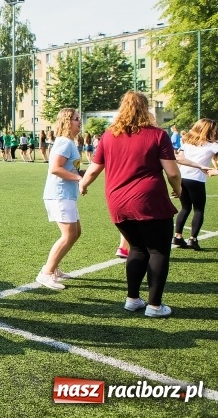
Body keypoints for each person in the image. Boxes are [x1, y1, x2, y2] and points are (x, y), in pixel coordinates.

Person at [79, 91, 182, 318]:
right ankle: (154, 306)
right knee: (158, 250)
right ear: (145, 109)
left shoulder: (108, 136)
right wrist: (178, 189)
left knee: (136, 248)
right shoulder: (157, 135)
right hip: (149, 200)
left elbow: (95, 168)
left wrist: (83, 184)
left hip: (118, 201)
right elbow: (172, 172)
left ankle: (132, 299)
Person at [36, 109, 83, 290]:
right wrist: (79, 179)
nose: (79, 122)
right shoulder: (64, 143)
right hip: (59, 195)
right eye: (76, 119)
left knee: (76, 232)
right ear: (66, 122)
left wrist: (85, 175)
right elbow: (55, 168)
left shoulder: (69, 142)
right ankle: (46, 273)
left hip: (66, 195)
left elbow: (71, 170)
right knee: (69, 234)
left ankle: (54, 268)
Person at [172, 118, 218, 251]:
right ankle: (193, 239)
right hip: (196, 179)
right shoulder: (213, 145)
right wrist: (215, 171)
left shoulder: (186, 141)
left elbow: (179, 159)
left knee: (185, 208)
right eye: (214, 129)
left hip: (182, 177)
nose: (215, 132)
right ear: (208, 130)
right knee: (198, 209)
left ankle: (177, 236)